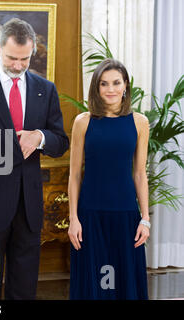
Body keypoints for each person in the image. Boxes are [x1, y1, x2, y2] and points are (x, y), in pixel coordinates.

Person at [0, 18, 69, 300]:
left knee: (24, 288)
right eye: (11, 58)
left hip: (29, 209)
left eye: (25, 59)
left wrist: (39, 137)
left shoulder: (46, 89)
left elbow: (60, 142)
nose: (18, 65)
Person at [68, 58, 149, 299]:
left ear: (125, 85)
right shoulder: (83, 122)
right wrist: (73, 219)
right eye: (104, 84)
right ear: (96, 87)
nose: (111, 89)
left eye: (116, 83)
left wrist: (145, 218)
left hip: (126, 217)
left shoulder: (139, 122)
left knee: (122, 284)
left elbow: (139, 173)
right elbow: (74, 175)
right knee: (97, 285)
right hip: (90, 217)